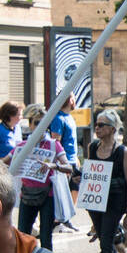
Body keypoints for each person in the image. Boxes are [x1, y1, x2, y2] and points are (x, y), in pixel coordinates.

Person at [86, 109, 127, 253]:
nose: (97, 128)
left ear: (112, 129)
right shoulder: (92, 147)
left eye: (101, 125)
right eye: (96, 124)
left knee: (106, 242)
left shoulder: (122, 151)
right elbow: (91, 174)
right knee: (105, 240)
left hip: (114, 204)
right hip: (96, 202)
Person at [16, 120, 74, 250]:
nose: (39, 126)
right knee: (23, 236)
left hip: (47, 195)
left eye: (42, 122)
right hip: (26, 195)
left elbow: (69, 167)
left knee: (46, 237)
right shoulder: (23, 145)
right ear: (30, 125)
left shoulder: (53, 145)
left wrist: (54, 165)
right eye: (36, 122)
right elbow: (7, 163)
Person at [51, 96, 81, 232]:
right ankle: (58, 221)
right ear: (70, 100)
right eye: (74, 98)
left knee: (75, 188)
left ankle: (68, 217)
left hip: (73, 159)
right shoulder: (58, 118)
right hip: (65, 161)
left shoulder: (69, 117)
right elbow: (55, 141)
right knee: (63, 192)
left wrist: (77, 158)